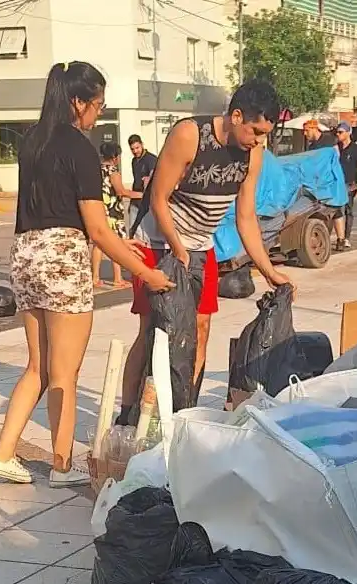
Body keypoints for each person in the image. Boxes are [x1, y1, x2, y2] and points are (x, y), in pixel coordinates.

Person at [0, 61, 173, 487]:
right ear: (77, 101)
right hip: (63, 257)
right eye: (97, 105)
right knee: (65, 373)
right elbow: (99, 229)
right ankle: (62, 466)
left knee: (39, 367)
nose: (98, 114)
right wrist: (146, 272)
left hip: (25, 254)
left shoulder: (31, 141)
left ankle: (3, 454)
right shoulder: (80, 148)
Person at [115, 79, 293, 425]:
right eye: (255, 131)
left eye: (264, 135)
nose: (259, 141)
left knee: (201, 327)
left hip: (201, 246)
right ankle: (128, 413)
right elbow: (158, 199)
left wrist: (269, 270)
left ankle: (185, 411)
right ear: (236, 116)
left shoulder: (252, 154)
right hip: (158, 244)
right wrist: (178, 247)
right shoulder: (190, 135)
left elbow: (245, 218)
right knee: (153, 329)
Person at [92, 142, 135, 288]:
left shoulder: (97, 169)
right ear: (115, 157)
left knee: (98, 245)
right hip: (113, 211)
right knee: (117, 244)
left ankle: (95, 277)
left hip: (100, 210)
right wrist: (141, 195)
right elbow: (121, 191)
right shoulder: (113, 170)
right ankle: (118, 278)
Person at [333, 122, 357, 252]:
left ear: (348, 133)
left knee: (348, 211)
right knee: (336, 211)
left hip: (349, 185)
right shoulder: (336, 149)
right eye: (337, 132)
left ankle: (346, 237)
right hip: (336, 185)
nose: (338, 134)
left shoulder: (356, 150)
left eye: (340, 132)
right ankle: (339, 236)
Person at [128, 135, 156, 220]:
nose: (135, 151)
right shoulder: (134, 161)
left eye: (137, 148)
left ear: (142, 145)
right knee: (133, 229)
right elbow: (135, 181)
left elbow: (156, 177)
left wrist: (149, 178)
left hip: (147, 202)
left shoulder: (151, 159)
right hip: (135, 201)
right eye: (132, 149)